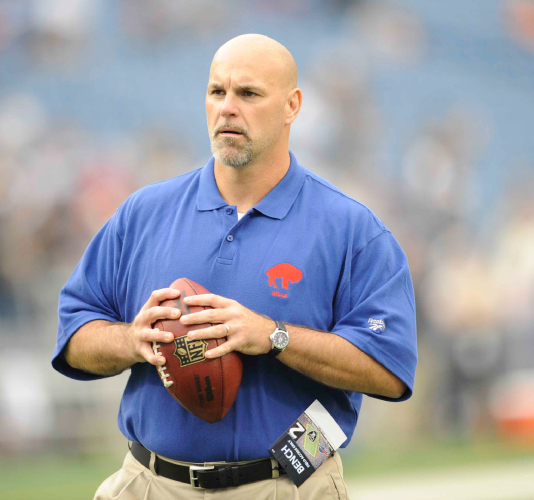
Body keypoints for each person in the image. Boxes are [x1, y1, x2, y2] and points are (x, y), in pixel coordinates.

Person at [52, 34, 417, 500]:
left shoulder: (352, 229)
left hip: (285, 485)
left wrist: (272, 335)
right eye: (216, 91)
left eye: (248, 93)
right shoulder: (143, 213)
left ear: (292, 106)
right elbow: (73, 333)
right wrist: (131, 339)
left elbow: (389, 369)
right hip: (151, 483)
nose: (227, 107)